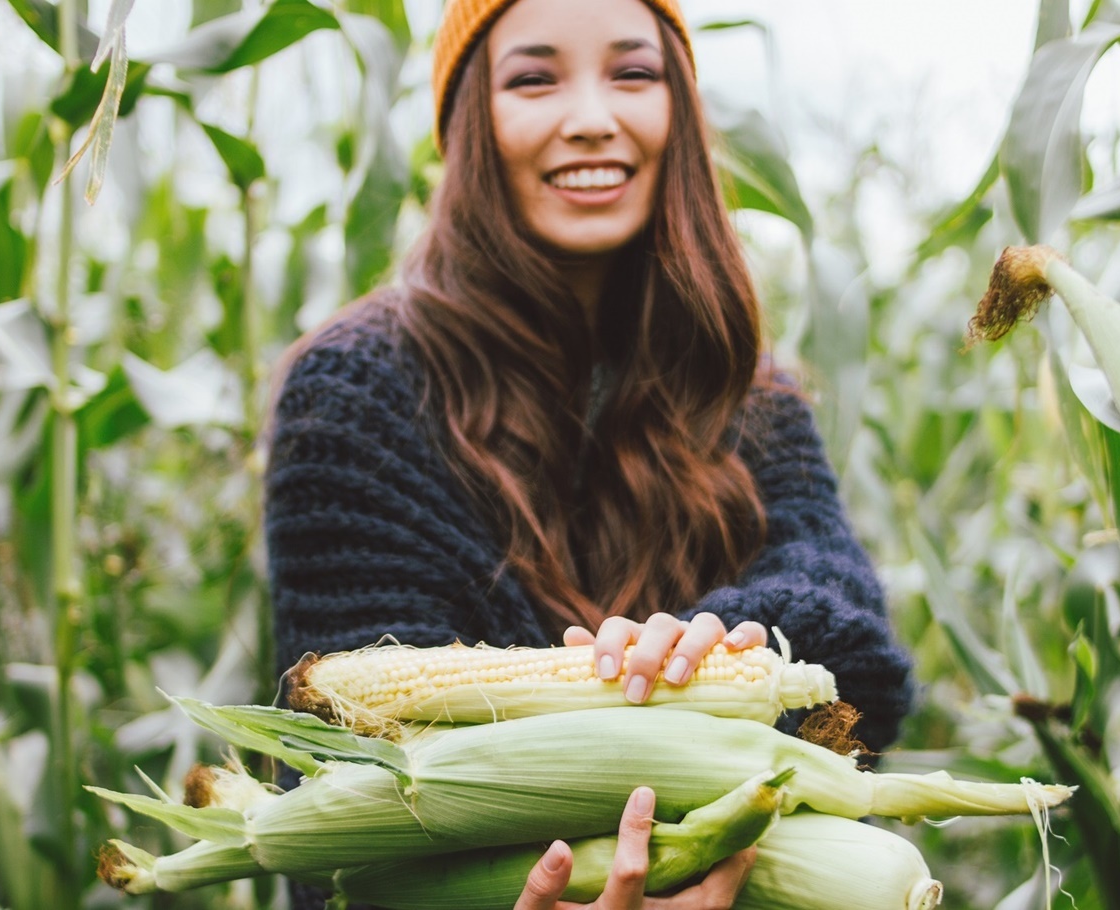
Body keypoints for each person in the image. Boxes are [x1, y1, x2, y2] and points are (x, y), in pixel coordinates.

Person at [264, 0, 916, 905]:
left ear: (679, 110)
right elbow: (346, 770)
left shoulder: (743, 388)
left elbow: (859, 659)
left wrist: (722, 646)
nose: (590, 117)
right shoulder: (355, 395)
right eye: (534, 78)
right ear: (469, 124)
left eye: (632, 73)